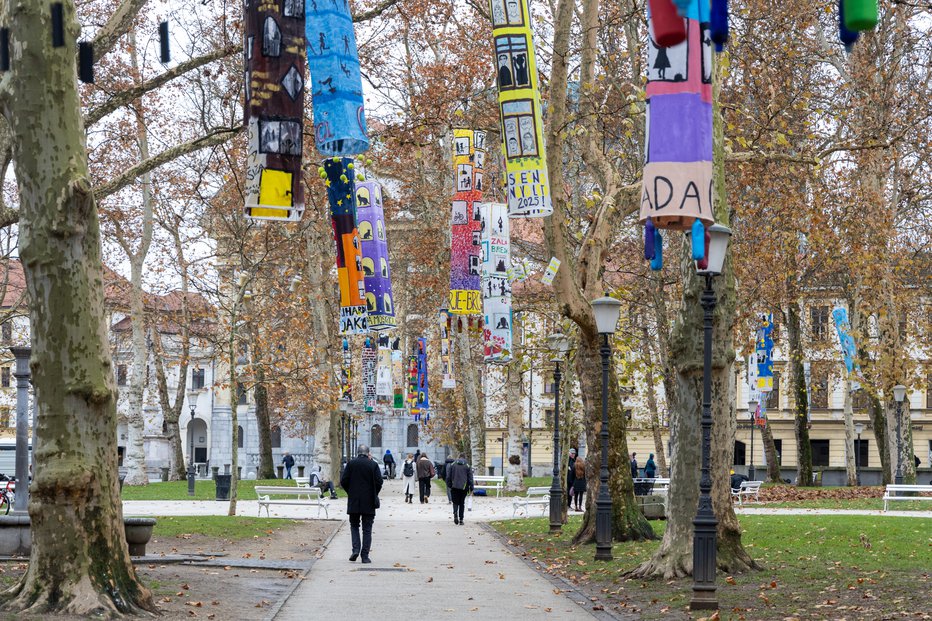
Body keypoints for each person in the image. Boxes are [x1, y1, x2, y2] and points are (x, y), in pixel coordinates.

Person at [340, 444, 383, 564]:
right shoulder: (373, 464)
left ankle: (355, 549)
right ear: (368, 453)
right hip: (369, 501)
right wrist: (374, 493)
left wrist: (351, 492)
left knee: (354, 526)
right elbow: (379, 481)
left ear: (358, 452)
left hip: (354, 501)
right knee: (367, 529)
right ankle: (365, 556)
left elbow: (344, 481)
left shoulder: (351, 464)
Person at [445, 454, 474, 525]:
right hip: (464, 487)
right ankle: (461, 519)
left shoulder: (453, 464)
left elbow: (448, 476)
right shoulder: (467, 465)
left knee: (455, 502)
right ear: (464, 458)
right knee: (462, 503)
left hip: (454, 486)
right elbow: (470, 478)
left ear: (458, 457)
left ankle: (455, 513)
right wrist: (471, 487)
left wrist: (449, 485)